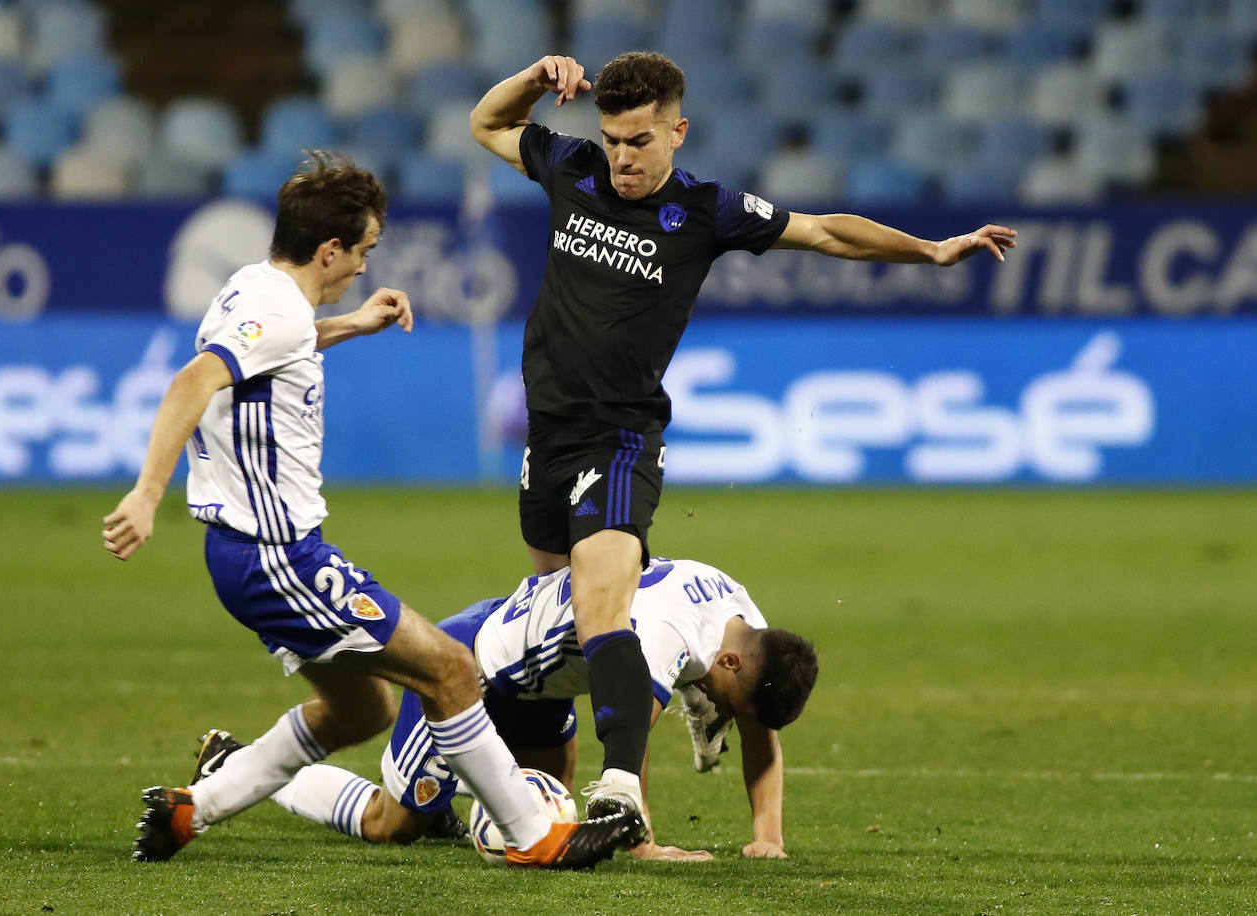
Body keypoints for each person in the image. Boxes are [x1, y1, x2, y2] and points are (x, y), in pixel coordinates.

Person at [468, 51, 1016, 832]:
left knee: (600, 611)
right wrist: (531, 77)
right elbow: (486, 122)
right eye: (614, 139)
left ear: (677, 133)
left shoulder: (707, 211)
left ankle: (620, 797)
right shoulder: (570, 166)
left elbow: (827, 233)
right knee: (557, 631)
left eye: (641, 140)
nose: (623, 156)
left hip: (620, 438)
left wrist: (929, 251)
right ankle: (619, 747)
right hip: (547, 436)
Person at [100, 151, 641, 869]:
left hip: (245, 556)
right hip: (277, 555)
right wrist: (145, 494)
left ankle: (193, 811)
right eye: (364, 250)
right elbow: (192, 381)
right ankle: (535, 835)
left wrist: (352, 324)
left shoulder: (253, 289)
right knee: (452, 671)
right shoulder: (278, 311)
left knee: (362, 712)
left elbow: (274, 348)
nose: (364, 265)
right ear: (330, 249)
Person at [194, 557, 818, 861]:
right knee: (393, 825)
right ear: (731, 664)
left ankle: (448, 806)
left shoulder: (746, 625)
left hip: (543, 686)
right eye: (727, 702)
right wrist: (641, 843)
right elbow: (631, 732)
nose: (720, 711)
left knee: (549, 817)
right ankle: (237, 765)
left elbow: (762, 728)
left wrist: (768, 838)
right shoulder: (668, 631)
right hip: (475, 669)